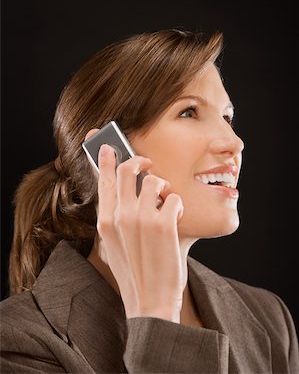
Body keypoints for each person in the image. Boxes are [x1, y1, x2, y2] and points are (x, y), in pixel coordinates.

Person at [1, 29, 298, 374]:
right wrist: (157, 313)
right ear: (109, 154)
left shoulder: (268, 318)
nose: (235, 142)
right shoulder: (16, 342)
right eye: (188, 112)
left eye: (228, 117)